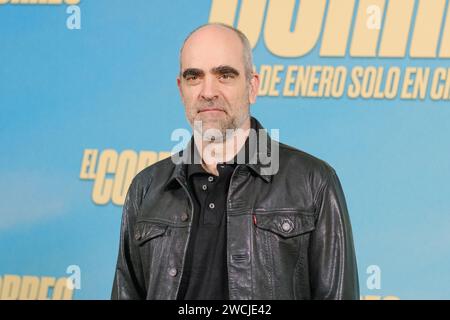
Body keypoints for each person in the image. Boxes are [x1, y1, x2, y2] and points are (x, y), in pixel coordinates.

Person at [111, 23, 359, 300]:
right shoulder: (145, 188)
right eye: (194, 77)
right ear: (181, 89)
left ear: (252, 86)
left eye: (224, 75)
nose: (208, 91)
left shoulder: (313, 182)